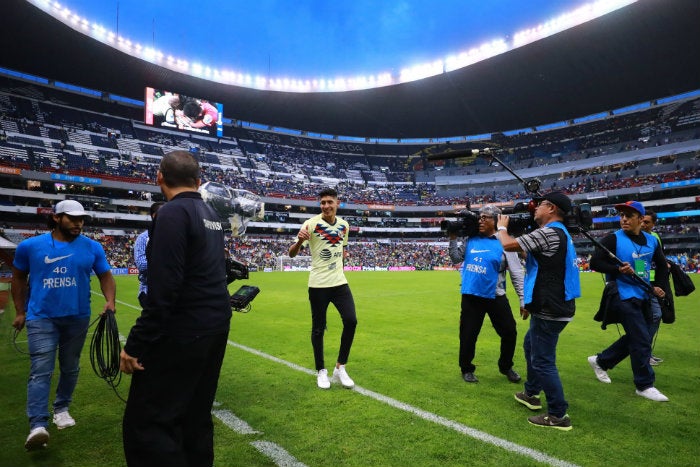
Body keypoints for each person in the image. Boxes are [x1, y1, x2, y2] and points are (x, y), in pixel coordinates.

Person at [120, 150, 231, 467]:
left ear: (159, 178)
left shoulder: (171, 214)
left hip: (183, 331)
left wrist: (136, 344)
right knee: (196, 417)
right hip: (215, 326)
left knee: (150, 423)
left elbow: (164, 290)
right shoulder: (211, 214)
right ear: (198, 181)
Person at [11, 200, 116, 450]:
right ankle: (38, 424)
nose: (79, 223)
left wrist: (110, 301)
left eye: (81, 219)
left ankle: (61, 408)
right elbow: (17, 278)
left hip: (77, 317)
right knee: (41, 370)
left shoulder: (92, 247)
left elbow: (106, 276)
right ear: (57, 218)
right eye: (72, 218)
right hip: (41, 317)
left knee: (70, 368)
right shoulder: (30, 247)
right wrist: (19, 311)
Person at [496, 191, 580, 431]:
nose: (535, 209)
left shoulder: (550, 232)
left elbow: (510, 245)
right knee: (530, 345)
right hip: (554, 304)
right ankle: (531, 393)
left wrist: (502, 228)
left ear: (551, 208)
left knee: (543, 361)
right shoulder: (560, 234)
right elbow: (533, 255)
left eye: (540, 205)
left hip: (550, 307)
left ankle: (557, 414)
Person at [587, 200, 670, 402]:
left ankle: (601, 360)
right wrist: (617, 269)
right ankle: (644, 385)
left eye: (629, 216)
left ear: (641, 220)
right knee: (641, 338)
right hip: (621, 294)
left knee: (638, 336)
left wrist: (658, 285)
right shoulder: (612, 238)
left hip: (643, 294)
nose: (623, 219)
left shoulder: (652, 241)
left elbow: (661, 266)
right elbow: (595, 262)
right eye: (622, 215)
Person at [288, 187, 357, 390]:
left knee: (351, 321)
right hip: (318, 285)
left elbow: (342, 250)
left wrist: (340, 264)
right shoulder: (310, 224)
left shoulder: (344, 226)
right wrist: (300, 240)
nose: (326, 205)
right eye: (323, 202)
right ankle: (321, 371)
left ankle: (340, 367)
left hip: (339, 283)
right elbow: (291, 254)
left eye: (329, 202)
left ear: (337, 203)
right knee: (318, 329)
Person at [448, 205, 524, 384]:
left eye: (486, 218)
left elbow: (516, 272)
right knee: (468, 334)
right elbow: (456, 258)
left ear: (496, 221)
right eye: (480, 217)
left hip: (495, 295)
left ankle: (506, 366)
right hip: (471, 295)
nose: (480, 220)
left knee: (509, 332)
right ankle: (466, 368)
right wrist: (452, 238)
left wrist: (523, 299)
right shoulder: (471, 238)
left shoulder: (505, 242)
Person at [641, 209, 665, 365]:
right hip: (644, 283)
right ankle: (643, 353)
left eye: (647, 222)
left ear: (654, 224)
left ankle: (645, 351)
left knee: (653, 317)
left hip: (655, 283)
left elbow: (660, 261)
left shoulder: (655, 238)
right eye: (642, 221)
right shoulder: (638, 239)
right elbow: (640, 263)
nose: (643, 224)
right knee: (654, 315)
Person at [133, 201, 164, 308]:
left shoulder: (174, 235)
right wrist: (166, 262)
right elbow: (141, 265)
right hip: (149, 291)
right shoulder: (143, 238)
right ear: (154, 216)